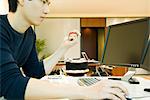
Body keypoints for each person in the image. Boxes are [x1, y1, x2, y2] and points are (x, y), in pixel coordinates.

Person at [0, 0, 128, 100]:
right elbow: (11, 84)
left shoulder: (30, 34)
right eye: (43, 1)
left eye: (48, 3)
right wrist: (86, 91)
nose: (47, 10)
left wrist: (64, 47)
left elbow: (35, 72)